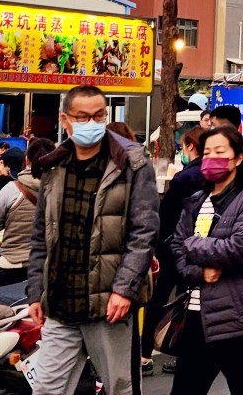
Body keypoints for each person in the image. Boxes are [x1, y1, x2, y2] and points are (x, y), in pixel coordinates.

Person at [25, 85, 160, 395]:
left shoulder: (132, 164)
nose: (92, 123)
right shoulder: (54, 166)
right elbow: (40, 237)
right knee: (46, 388)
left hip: (108, 304)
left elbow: (144, 233)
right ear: (65, 120)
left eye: (99, 115)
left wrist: (124, 290)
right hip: (61, 301)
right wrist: (36, 292)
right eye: (82, 117)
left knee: (117, 387)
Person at [170, 125, 243, 395]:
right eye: (207, 152)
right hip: (196, 318)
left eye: (220, 151)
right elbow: (177, 250)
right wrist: (199, 273)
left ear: (238, 158)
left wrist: (194, 243)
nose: (211, 157)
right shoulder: (196, 201)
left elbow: (240, 247)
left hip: (241, 319)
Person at [143, 127, 206, 376]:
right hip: (199, 248)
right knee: (188, 302)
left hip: (173, 247)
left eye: (183, 146)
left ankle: (145, 354)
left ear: (191, 146)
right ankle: (183, 352)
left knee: (158, 300)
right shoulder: (213, 176)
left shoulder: (185, 177)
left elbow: (165, 214)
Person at [0, 138, 54, 287]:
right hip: (45, 267)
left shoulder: (12, 188)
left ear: (26, 159)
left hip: (12, 266)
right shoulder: (58, 190)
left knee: (6, 310)